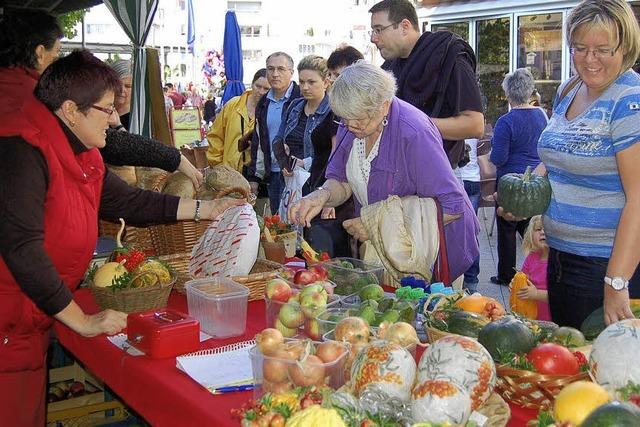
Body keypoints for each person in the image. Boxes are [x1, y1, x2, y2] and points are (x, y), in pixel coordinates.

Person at [0, 49, 244, 426]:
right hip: (7, 326)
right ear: (69, 110)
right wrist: (82, 321)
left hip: (29, 322)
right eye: (107, 109)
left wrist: (204, 210)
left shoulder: (82, 152)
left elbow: (129, 200)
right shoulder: (23, 153)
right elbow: (22, 249)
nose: (115, 120)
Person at [499, 0, 640, 328]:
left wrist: (616, 282)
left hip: (605, 265)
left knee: (598, 370)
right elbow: (556, 162)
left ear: (626, 47)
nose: (590, 60)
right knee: (566, 361)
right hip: (560, 259)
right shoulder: (569, 88)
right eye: (580, 48)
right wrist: (525, 198)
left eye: (603, 49)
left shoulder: (629, 101)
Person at [288, 62, 479, 283]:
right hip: (385, 250)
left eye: (359, 118)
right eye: (344, 118)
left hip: (430, 256)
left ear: (384, 105)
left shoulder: (414, 132)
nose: (351, 126)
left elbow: (452, 206)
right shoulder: (350, 122)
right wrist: (321, 195)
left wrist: (376, 224)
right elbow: (341, 181)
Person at [0, 10, 202, 189]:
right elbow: (112, 145)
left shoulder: (15, 91)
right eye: (55, 59)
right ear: (39, 53)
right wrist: (173, 158)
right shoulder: (35, 99)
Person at [368, 0, 484, 169]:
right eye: (372, 31)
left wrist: (409, 124)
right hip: (398, 172)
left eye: (379, 29)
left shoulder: (449, 56)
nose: (373, 38)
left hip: (439, 174)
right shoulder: (389, 68)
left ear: (405, 26)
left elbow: (475, 125)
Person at [489, 68, 547, 287]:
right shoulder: (542, 115)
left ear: (508, 94)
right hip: (537, 182)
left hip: (510, 184)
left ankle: (507, 275)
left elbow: (499, 158)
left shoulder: (506, 121)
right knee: (534, 229)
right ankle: (538, 273)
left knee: (507, 232)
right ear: (530, 91)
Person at [247, 52, 301, 214]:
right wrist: (255, 177)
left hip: (298, 174)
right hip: (274, 175)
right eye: (270, 69)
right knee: (280, 226)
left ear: (291, 72)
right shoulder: (264, 102)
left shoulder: (301, 98)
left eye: (281, 69)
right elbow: (258, 141)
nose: (275, 74)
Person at [206, 68, 270, 173]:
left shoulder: (271, 112)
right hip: (228, 172)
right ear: (252, 84)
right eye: (258, 86)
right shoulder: (233, 105)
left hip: (256, 175)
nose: (261, 92)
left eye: (266, 89)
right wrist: (218, 164)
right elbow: (215, 136)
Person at [511, 215, 551, 321]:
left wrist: (536, 294)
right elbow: (524, 279)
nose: (543, 232)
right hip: (530, 318)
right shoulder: (531, 257)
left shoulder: (559, 262)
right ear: (530, 235)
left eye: (547, 229)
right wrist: (516, 284)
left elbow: (559, 295)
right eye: (538, 229)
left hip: (553, 320)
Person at [457, 138, 481, 293]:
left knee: (460, 234)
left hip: (457, 177)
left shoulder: (449, 119)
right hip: (474, 177)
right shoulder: (470, 121)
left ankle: (463, 281)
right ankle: (471, 281)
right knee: (471, 233)